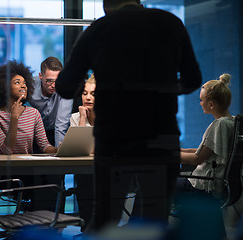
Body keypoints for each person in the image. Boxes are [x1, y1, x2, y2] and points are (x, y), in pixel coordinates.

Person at [56, 0, 202, 230]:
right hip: (161, 136)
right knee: (155, 219)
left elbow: (64, 86)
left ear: (106, 6)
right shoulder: (170, 24)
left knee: (106, 218)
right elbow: (193, 79)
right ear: (139, 2)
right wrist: (161, 88)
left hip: (114, 140)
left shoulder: (98, 30)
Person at [0, 60, 59, 211]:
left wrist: (60, 149)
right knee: (45, 182)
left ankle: (46, 225)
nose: (23, 85)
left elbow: (44, 146)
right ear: (4, 86)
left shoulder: (33, 113)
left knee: (54, 178)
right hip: (7, 173)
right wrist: (14, 118)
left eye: (24, 82)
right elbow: (7, 150)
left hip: (29, 169)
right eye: (17, 82)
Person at [177, 73, 235, 198]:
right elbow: (205, 152)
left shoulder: (219, 125)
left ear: (212, 104)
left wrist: (173, 156)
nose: (200, 103)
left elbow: (198, 158)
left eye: (201, 100)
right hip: (215, 182)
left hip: (203, 185)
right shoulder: (231, 122)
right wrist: (180, 151)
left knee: (161, 183)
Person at [70, 74, 96, 228]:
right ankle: (86, 227)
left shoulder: (108, 118)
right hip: (85, 170)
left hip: (105, 169)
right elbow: (80, 148)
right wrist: (82, 119)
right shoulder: (75, 117)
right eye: (85, 93)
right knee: (84, 180)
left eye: (93, 94)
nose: (88, 98)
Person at [29, 56, 73, 147]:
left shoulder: (65, 87)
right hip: (32, 135)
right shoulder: (30, 87)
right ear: (41, 76)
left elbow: (61, 124)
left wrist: (59, 155)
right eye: (49, 81)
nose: (54, 85)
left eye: (57, 81)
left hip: (56, 132)